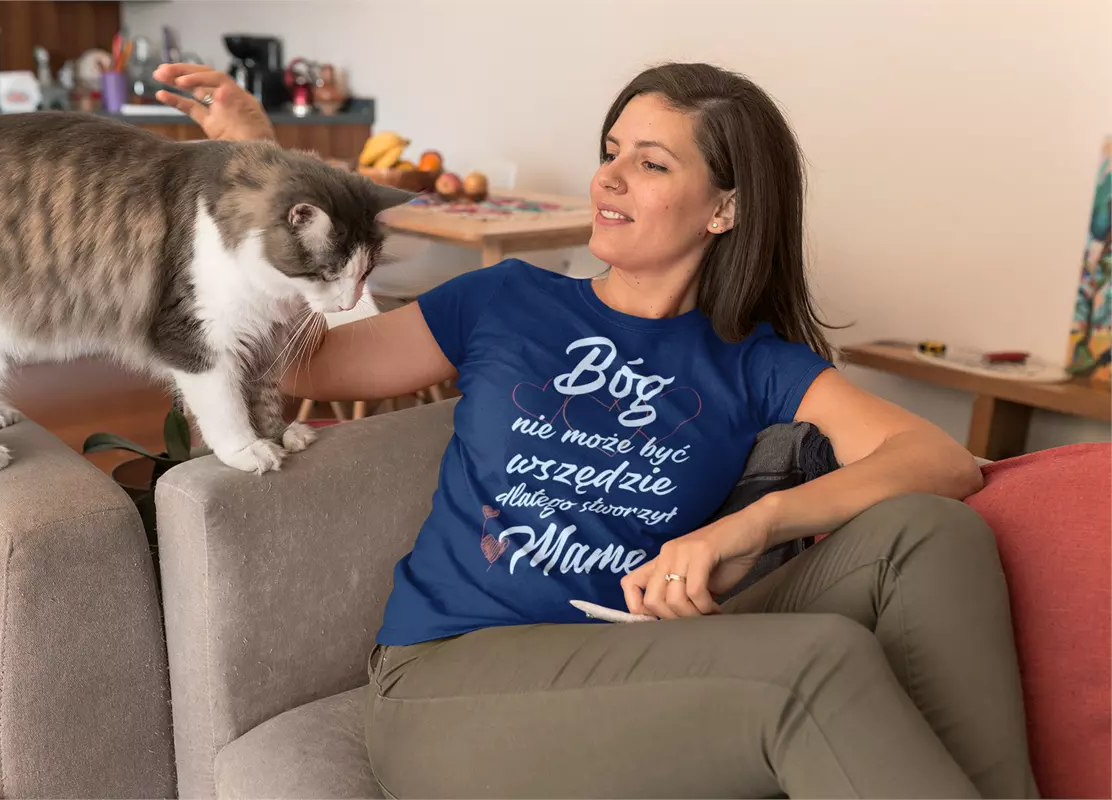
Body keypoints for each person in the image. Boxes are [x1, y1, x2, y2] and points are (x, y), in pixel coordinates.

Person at [154, 61, 1037, 799]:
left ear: (723, 209)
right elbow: (302, 363)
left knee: (934, 535)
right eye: (610, 152)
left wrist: (752, 525)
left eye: (650, 163)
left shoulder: (750, 361)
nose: (609, 178)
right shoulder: (506, 300)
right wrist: (259, 164)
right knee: (816, 664)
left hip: (642, 651)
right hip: (455, 682)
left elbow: (939, 460)